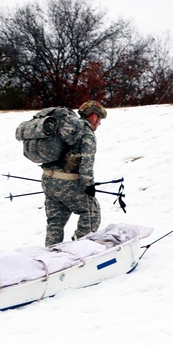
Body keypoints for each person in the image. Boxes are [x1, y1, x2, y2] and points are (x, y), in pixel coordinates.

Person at [41, 100, 105, 246]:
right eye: (100, 119)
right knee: (91, 212)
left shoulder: (63, 128)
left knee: (55, 221)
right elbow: (86, 164)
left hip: (48, 180)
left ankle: (50, 253)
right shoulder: (86, 133)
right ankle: (80, 249)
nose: (100, 123)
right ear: (94, 117)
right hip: (67, 182)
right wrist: (88, 186)